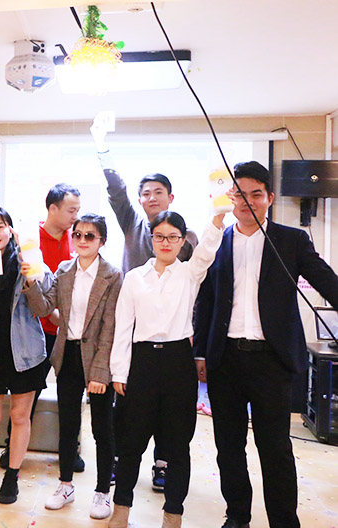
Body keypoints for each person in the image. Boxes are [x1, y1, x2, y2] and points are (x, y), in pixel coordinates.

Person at [194, 161, 338, 528]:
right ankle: (237, 516)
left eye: (255, 194)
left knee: (275, 448)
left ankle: (284, 522)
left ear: (269, 198)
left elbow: (326, 280)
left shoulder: (291, 240)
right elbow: (205, 301)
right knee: (229, 447)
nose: (247, 202)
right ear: (230, 197)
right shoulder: (216, 243)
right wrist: (200, 353)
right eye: (239, 194)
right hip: (225, 359)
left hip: (271, 361)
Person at [92, 121, 198, 490]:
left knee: (168, 409)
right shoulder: (132, 224)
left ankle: (163, 464)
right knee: (127, 405)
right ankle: (122, 461)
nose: (151, 198)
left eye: (158, 192)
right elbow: (117, 192)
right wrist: (103, 150)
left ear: (170, 197)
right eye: (146, 193)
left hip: (172, 338)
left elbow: (196, 289)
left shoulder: (188, 238)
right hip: (131, 332)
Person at [108, 210, 225, 528]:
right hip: (141, 362)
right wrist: (119, 372)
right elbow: (123, 327)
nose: (166, 242)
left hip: (178, 363)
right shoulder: (134, 277)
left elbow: (207, 251)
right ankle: (121, 510)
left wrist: (217, 219)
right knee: (131, 443)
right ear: (151, 238)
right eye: (159, 236)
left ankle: (173, 514)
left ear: (182, 240)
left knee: (177, 445)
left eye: (173, 237)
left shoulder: (189, 274)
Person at [28, 214, 121, 520]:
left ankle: (102, 492)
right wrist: (31, 283)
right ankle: (65, 485)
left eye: (89, 236)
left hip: (98, 358)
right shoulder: (64, 269)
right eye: (77, 235)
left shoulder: (112, 275)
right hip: (67, 354)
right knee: (67, 425)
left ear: (102, 241)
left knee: (102, 428)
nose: (82, 240)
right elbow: (43, 307)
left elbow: (110, 327)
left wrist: (101, 373)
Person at [0, 184, 83, 472]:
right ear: (53, 209)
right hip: (34, 330)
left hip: (67, 332)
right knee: (26, 396)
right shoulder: (29, 238)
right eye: (71, 210)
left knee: (71, 394)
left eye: (78, 210)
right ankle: (12, 447)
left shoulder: (77, 239)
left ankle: (70, 451)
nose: (75, 216)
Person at [0, 206, 47, 505]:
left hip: (25, 354)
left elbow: (43, 308)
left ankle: (12, 475)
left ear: (11, 231)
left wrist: (31, 279)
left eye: (0, 226)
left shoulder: (30, 261)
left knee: (19, 417)